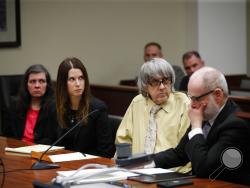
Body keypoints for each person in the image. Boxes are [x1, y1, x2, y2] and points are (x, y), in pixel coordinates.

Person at [153, 66, 250, 185]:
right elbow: (180, 154)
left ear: (218, 95)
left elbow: (204, 169)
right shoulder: (206, 114)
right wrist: (144, 162)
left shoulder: (235, 126)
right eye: (190, 98)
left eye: (196, 98)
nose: (192, 105)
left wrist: (196, 127)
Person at [116, 57, 191, 173]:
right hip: (137, 170)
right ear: (145, 85)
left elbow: (185, 150)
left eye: (166, 80)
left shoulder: (183, 103)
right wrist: (126, 166)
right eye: (155, 82)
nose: (162, 87)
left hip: (173, 172)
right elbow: (123, 139)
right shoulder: (137, 103)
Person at [56, 57, 114, 158]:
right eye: (72, 79)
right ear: (63, 83)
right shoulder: (55, 108)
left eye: (81, 78)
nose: (78, 84)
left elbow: (106, 152)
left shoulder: (97, 109)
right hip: (61, 165)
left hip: (88, 167)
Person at [4, 64, 58, 144]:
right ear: (26, 85)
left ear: (47, 85)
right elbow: (8, 136)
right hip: (17, 150)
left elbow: (54, 139)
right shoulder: (15, 105)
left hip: (41, 153)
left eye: (41, 81)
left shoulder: (55, 107)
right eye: (32, 81)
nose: (37, 86)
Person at [119, 42, 185, 90]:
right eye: (147, 55)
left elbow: (178, 92)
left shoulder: (176, 71)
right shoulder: (140, 77)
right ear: (144, 57)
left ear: (161, 56)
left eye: (154, 55)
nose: (150, 58)